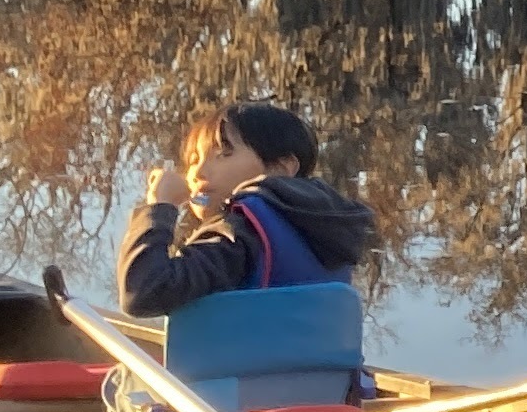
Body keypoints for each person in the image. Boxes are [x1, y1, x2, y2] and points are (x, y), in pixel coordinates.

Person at [120, 100, 378, 314]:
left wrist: (159, 208)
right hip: (318, 376)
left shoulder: (237, 233)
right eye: (194, 160)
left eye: (223, 153)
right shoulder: (328, 228)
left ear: (281, 168)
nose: (197, 171)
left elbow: (142, 292)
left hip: (237, 376)